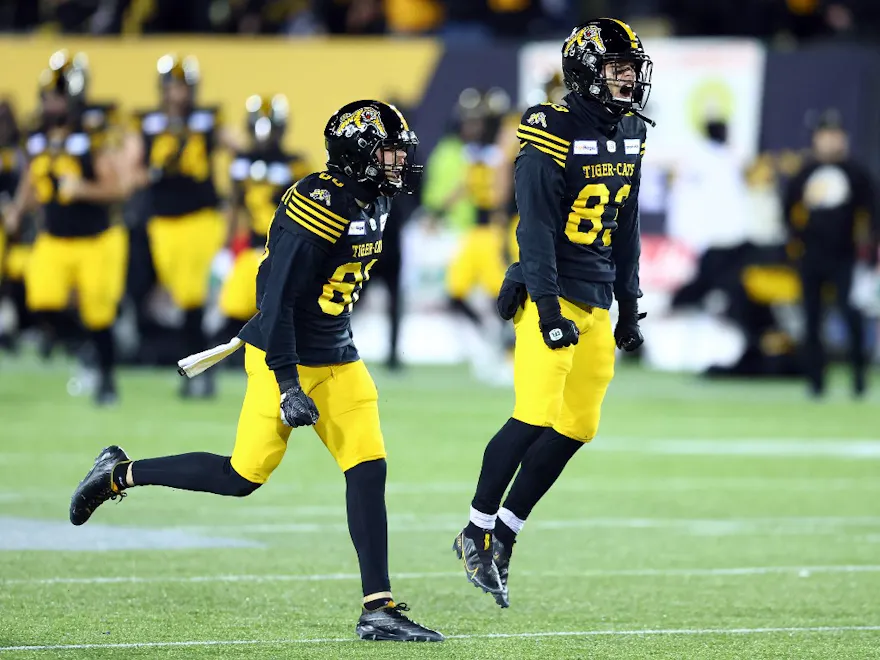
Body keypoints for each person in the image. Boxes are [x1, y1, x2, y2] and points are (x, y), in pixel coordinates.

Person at [69, 100, 444, 643]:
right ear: (356, 154)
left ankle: (378, 608)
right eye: (388, 151)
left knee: (368, 468)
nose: (398, 161)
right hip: (282, 354)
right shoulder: (320, 201)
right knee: (241, 477)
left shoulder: (377, 198)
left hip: (339, 355)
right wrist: (288, 383)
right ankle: (118, 472)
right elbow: (278, 299)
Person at [453, 18, 653, 607]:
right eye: (617, 66)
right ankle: (474, 529)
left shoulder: (631, 133)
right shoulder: (548, 130)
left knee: (578, 425)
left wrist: (631, 303)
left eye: (632, 67)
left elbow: (628, 226)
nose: (628, 78)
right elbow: (534, 230)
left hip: (595, 294)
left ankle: (506, 534)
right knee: (534, 415)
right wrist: (543, 305)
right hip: (555, 291)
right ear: (586, 69)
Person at [6, 51, 126, 404]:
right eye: (49, 95)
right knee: (41, 301)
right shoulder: (38, 133)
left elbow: (116, 188)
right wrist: (17, 208)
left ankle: (106, 380)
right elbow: (33, 176)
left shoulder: (91, 133)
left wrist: (83, 189)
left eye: (59, 95)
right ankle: (84, 348)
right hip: (54, 238)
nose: (53, 102)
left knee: (99, 313)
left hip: (94, 238)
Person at [123, 54, 238, 399]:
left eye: (183, 86)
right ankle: (198, 368)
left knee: (192, 297)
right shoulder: (147, 123)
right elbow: (131, 173)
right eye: (172, 87)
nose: (178, 94)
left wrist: (237, 188)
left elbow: (241, 151)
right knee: (180, 297)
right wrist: (156, 171)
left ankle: (198, 372)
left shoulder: (207, 120)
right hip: (163, 223)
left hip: (202, 218)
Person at [784, 110, 877, 398]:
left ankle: (859, 379)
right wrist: (796, 243)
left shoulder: (855, 172)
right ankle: (815, 382)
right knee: (812, 320)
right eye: (824, 136)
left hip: (845, 256)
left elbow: (872, 213)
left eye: (834, 136)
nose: (830, 142)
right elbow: (787, 210)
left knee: (851, 316)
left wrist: (870, 250)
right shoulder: (805, 172)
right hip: (811, 256)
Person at [218, 93, 309, 342]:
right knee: (233, 309)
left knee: (284, 315)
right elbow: (235, 205)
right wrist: (225, 248)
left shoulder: (295, 164)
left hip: (283, 250)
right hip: (252, 248)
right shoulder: (241, 162)